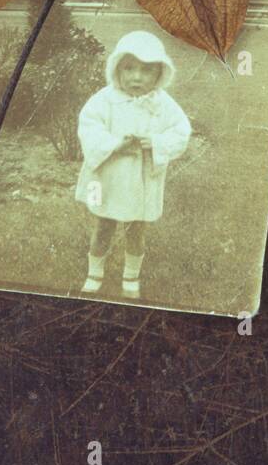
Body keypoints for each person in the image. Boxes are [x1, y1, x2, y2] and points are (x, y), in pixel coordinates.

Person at [75, 31, 191, 300]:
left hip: (141, 178)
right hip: (110, 176)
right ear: (117, 68)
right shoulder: (105, 100)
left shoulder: (163, 104)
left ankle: (131, 276)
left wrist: (155, 142)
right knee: (104, 223)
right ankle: (95, 273)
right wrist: (115, 144)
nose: (136, 77)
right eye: (129, 69)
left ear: (160, 73)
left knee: (136, 227)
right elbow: (89, 126)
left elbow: (180, 131)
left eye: (146, 70)